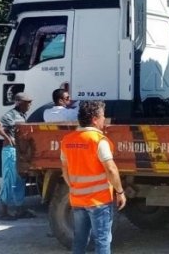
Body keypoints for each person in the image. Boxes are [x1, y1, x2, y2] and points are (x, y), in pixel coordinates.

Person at [61, 100, 125, 254]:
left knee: (80, 240)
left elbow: (65, 171)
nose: (105, 119)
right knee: (102, 240)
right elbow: (111, 169)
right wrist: (120, 192)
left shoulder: (67, 140)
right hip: (99, 201)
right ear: (95, 119)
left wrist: (76, 188)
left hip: (77, 199)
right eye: (103, 116)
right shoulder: (98, 140)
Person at [0, 92, 35, 220]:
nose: (29, 104)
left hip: (19, 152)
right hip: (10, 151)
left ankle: (19, 209)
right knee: (9, 180)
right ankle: (2, 211)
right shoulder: (11, 114)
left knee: (20, 180)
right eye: (27, 102)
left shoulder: (22, 115)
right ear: (18, 102)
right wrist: (6, 137)